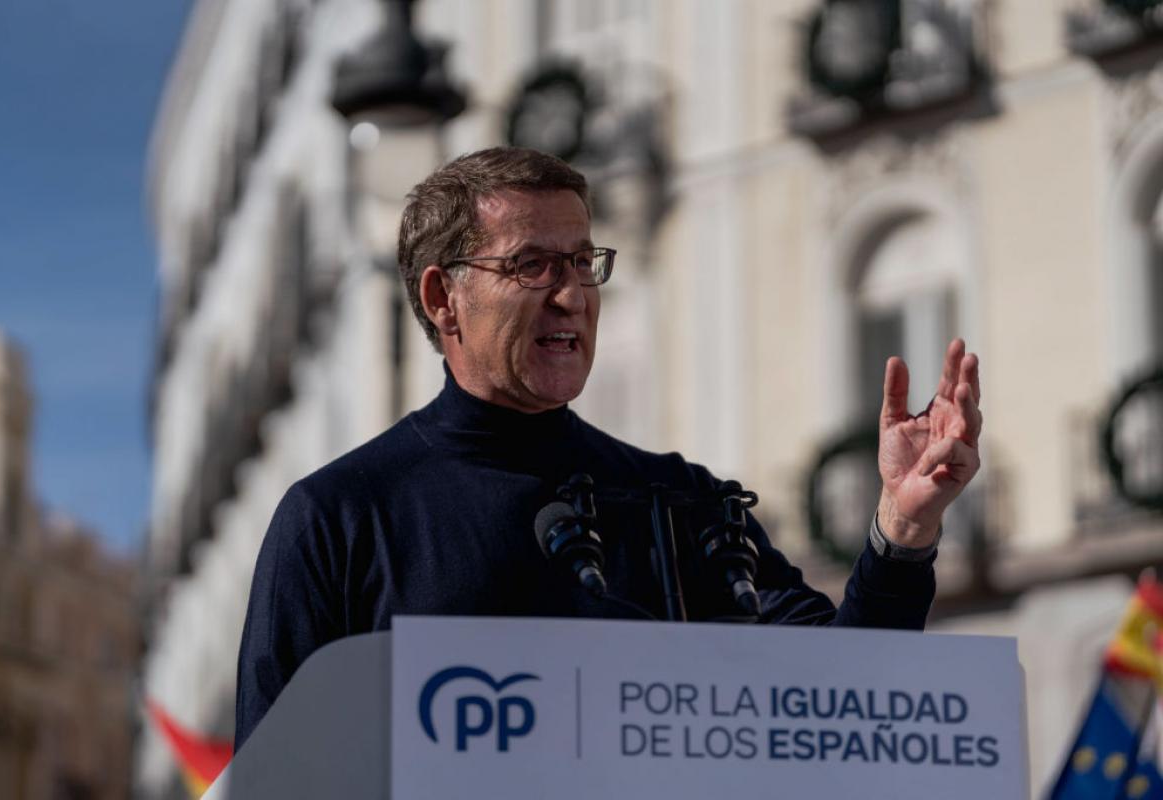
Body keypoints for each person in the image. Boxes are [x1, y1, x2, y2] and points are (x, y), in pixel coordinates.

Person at [234, 147, 982, 750]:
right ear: (442, 298)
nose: (573, 295)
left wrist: (904, 527)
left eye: (582, 262)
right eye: (532, 265)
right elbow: (275, 770)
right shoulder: (338, 517)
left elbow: (847, 700)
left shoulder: (683, 504)